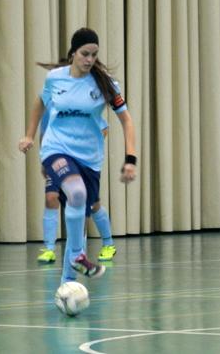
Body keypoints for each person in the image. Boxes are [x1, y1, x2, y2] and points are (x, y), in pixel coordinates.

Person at [19, 27, 137, 284]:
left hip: (89, 157)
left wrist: (131, 159)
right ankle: (77, 255)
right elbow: (40, 103)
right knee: (77, 193)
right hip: (56, 148)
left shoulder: (105, 84)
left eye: (94, 55)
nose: (90, 60)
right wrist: (29, 135)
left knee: (80, 219)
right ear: (73, 53)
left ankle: (67, 285)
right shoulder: (55, 78)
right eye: (85, 54)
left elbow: (126, 120)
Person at [36, 114, 112, 264]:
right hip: (58, 160)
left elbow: (103, 129)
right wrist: (44, 162)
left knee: (92, 205)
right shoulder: (50, 107)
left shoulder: (82, 106)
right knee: (51, 197)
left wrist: (85, 149)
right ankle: (49, 248)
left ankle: (107, 243)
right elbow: (44, 134)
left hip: (83, 163)